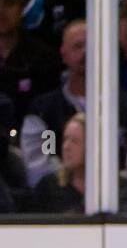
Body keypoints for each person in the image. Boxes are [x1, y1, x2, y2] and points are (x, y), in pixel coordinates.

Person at [21, 18, 85, 188]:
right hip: (58, 199)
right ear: (64, 53)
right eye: (78, 46)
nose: (86, 53)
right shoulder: (44, 112)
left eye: (92, 45)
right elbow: (42, 163)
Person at [31, 111, 84, 213]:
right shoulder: (48, 188)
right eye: (65, 139)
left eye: (74, 141)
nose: (66, 147)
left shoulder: (115, 191)